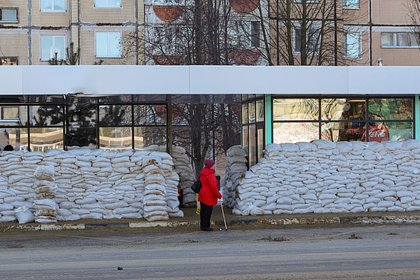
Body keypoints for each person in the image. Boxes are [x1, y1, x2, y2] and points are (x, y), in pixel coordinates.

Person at [198, 159, 222, 231]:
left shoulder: (202, 173)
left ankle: (203, 226)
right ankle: (207, 226)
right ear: (210, 166)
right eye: (213, 165)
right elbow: (213, 187)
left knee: (203, 212)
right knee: (208, 212)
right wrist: (219, 195)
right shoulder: (210, 175)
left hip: (202, 195)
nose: (214, 166)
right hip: (209, 196)